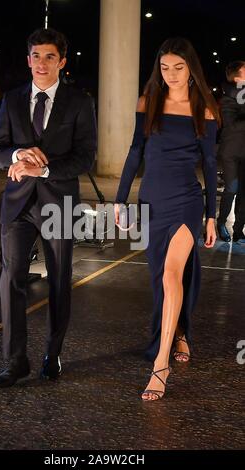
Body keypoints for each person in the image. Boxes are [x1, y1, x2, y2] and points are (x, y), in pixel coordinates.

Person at [0, 28, 97, 388]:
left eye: (49, 56)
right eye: (36, 56)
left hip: (59, 203)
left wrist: (44, 167)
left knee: (60, 281)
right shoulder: (13, 99)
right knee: (11, 278)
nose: (41, 63)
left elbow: (84, 158)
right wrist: (17, 154)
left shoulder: (80, 102)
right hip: (18, 204)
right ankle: (15, 361)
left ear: (62, 62)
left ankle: (53, 353)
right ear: (28, 59)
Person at [115, 37, 219, 401]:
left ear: (191, 69)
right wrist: (120, 200)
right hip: (151, 200)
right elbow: (133, 153)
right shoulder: (149, 102)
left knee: (171, 274)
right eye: (164, 67)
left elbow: (209, 164)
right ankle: (181, 334)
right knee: (160, 278)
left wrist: (210, 215)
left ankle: (161, 364)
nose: (171, 74)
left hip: (186, 202)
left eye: (178, 67)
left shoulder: (204, 108)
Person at [217, 61, 245, 243]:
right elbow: (231, 126)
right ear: (237, 78)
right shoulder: (227, 98)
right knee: (232, 189)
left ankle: (238, 230)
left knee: (244, 192)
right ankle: (220, 224)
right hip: (231, 152)